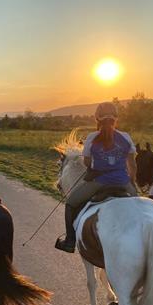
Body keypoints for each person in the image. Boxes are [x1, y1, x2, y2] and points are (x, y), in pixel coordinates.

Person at [55, 102, 137, 253]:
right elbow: (132, 165)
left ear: (97, 119)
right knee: (138, 207)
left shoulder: (92, 138)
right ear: (116, 119)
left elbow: (87, 162)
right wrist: (131, 182)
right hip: (123, 182)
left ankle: (69, 241)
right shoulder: (126, 137)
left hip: (100, 182)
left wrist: (97, 166)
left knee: (71, 203)